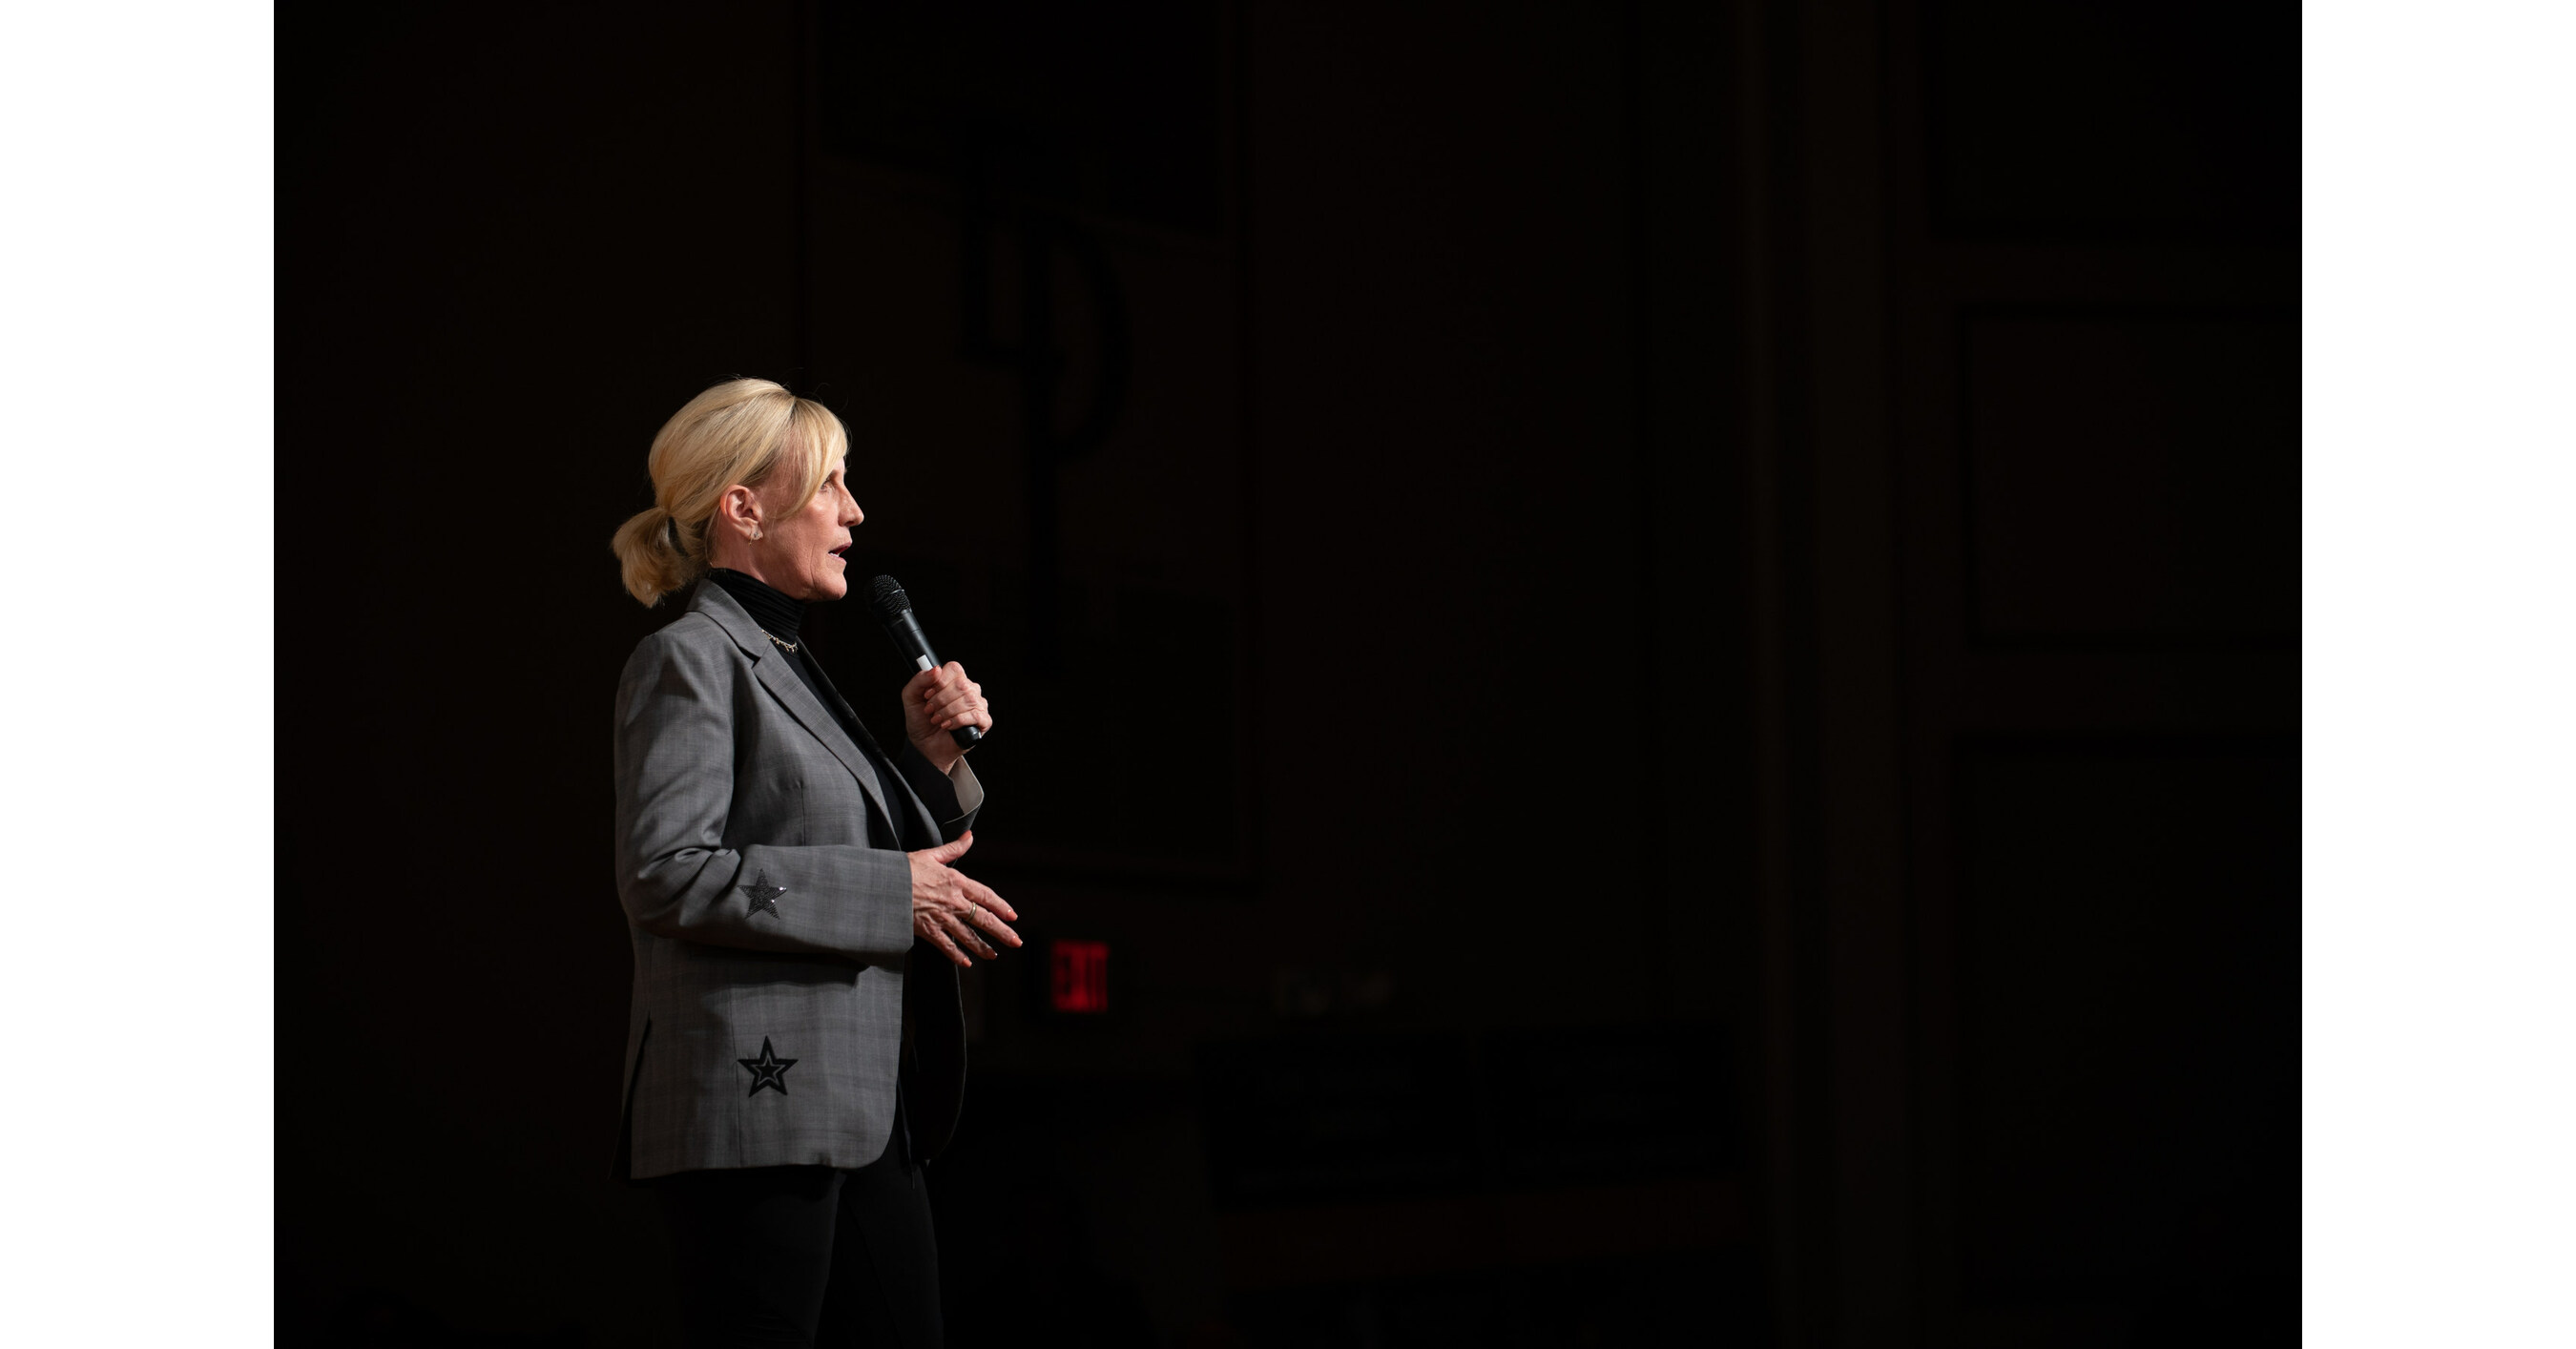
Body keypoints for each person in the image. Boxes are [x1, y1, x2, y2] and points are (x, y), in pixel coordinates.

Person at [606, 377, 1019, 1346]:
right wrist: (892, 891)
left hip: (862, 1111)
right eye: (830, 482)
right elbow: (666, 870)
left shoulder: (789, 661)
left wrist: (929, 760)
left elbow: (859, 850)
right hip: (757, 1113)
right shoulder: (690, 657)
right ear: (744, 507)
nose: (854, 511)